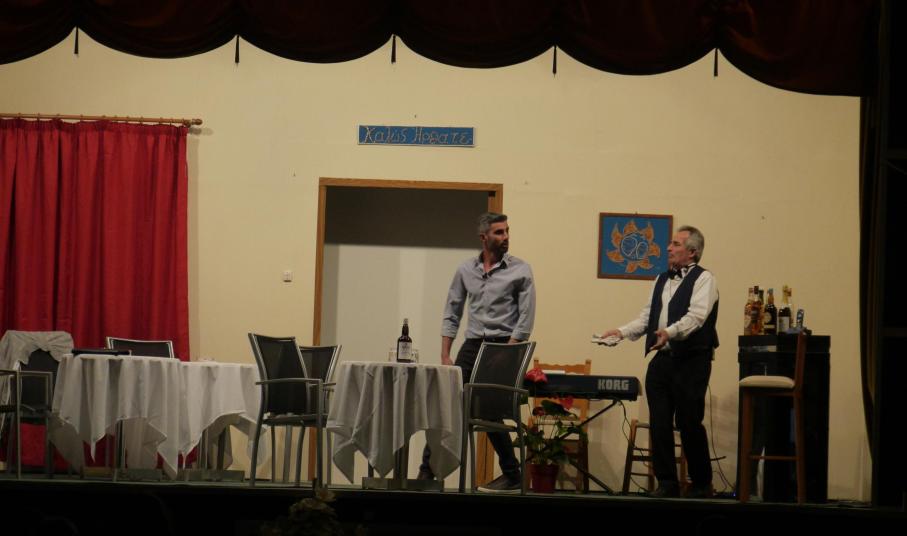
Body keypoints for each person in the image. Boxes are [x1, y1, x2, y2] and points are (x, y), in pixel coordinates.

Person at [418, 211, 536, 492]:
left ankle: (512, 474)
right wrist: (445, 354)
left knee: (488, 409)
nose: (505, 237)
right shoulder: (465, 270)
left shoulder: (521, 269)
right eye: (499, 232)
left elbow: (526, 317)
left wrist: (508, 353)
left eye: (507, 231)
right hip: (472, 345)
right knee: (446, 402)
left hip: (504, 344)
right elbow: (452, 311)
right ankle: (427, 472)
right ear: (484, 237)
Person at [600, 225, 718, 498]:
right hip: (663, 360)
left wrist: (670, 332)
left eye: (675, 244)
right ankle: (667, 483)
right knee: (659, 422)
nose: (668, 248)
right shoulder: (661, 279)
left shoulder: (705, 279)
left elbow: (697, 317)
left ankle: (701, 484)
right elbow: (647, 318)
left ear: (692, 251)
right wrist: (621, 332)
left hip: (692, 360)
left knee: (689, 422)